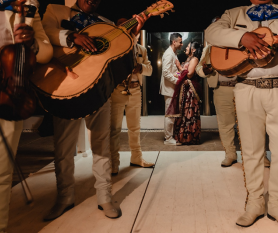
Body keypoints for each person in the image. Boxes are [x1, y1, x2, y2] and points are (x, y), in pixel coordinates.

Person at [205, 0, 278, 231]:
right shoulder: (234, 13)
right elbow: (211, 32)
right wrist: (241, 38)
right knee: (251, 150)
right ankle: (254, 204)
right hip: (246, 87)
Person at [41, 0, 148, 220]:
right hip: (67, 85)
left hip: (99, 88)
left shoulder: (105, 23)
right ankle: (64, 198)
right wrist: (71, 37)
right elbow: (43, 34)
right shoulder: (56, 10)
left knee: (102, 146)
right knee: (63, 148)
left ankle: (104, 196)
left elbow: (121, 52)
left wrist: (133, 34)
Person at [0, 0, 53, 232]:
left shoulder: (28, 6)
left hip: (9, 94)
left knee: (1, 173)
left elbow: (46, 52)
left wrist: (33, 43)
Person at [197, 17, 271, 167]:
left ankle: (260, 156)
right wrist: (204, 70)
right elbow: (199, 68)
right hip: (221, 89)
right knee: (225, 124)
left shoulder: (242, 42)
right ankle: (230, 154)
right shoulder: (209, 49)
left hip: (243, 86)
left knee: (254, 123)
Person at [110, 29, 154, 175]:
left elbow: (150, 70)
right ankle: (113, 162)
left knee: (135, 128)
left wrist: (140, 67)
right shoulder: (113, 47)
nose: (130, 32)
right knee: (114, 129)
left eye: (133, 31)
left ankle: (136, 157)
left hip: (135, 90)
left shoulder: (141, 49)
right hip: (117, 90)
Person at [166, 41, 202, 145]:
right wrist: (176, 74)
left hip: (191, 91)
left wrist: (179, 66)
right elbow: (182, 73)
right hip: (185, 90)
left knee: (189, 112)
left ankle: (189, 137)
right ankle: (182, 136)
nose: (186, 47)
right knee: (183, 113)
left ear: (193, 50)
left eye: (188, 46)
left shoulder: (195, 59)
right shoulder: (188, 59)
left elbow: (189, 74)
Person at [160, 33, 183, 146]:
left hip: (172, 88)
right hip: (169, 88)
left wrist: (178, 74)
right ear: (174, 42)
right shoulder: (169, 54)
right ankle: (168, 139)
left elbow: (172, 72)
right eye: (180, 42)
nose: (181, 44)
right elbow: (165, 73)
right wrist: (177, 81)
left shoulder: (173, 53)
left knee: (172, 114)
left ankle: (170, 136)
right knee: (169, 114)